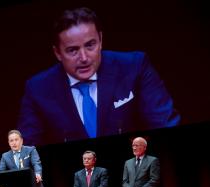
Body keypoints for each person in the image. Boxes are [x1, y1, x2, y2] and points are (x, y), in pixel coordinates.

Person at [17, 7, 180, 146]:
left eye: (90, 45)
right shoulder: (38, 89)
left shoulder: (134, 67)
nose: (84, 57)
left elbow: (166, 128)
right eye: (73, 50)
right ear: (57, 53)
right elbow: (27, 154)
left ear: (101, 40)